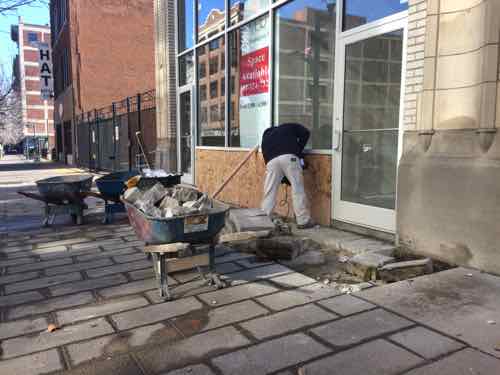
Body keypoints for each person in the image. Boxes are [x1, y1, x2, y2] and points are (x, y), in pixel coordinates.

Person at [261, 123, 315, 229]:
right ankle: (303, 220)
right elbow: (306, 132)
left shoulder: (266, 136)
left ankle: (265, 219)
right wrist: (298, 151)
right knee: (297, 189)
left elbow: (266, 155)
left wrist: (281, 174)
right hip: (290, 158)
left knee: (270, 191)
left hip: (271, 161)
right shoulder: (290, 126)